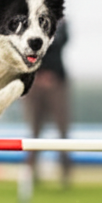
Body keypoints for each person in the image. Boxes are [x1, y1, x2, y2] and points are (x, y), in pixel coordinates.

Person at [24, 18, 71, 187]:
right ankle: (30, 175)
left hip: (57, 82)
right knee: (34, 132)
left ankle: (66, 176)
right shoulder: (28, 22)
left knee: (63, 131)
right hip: (34, 82)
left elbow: (60, 41)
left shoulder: (61, 23)